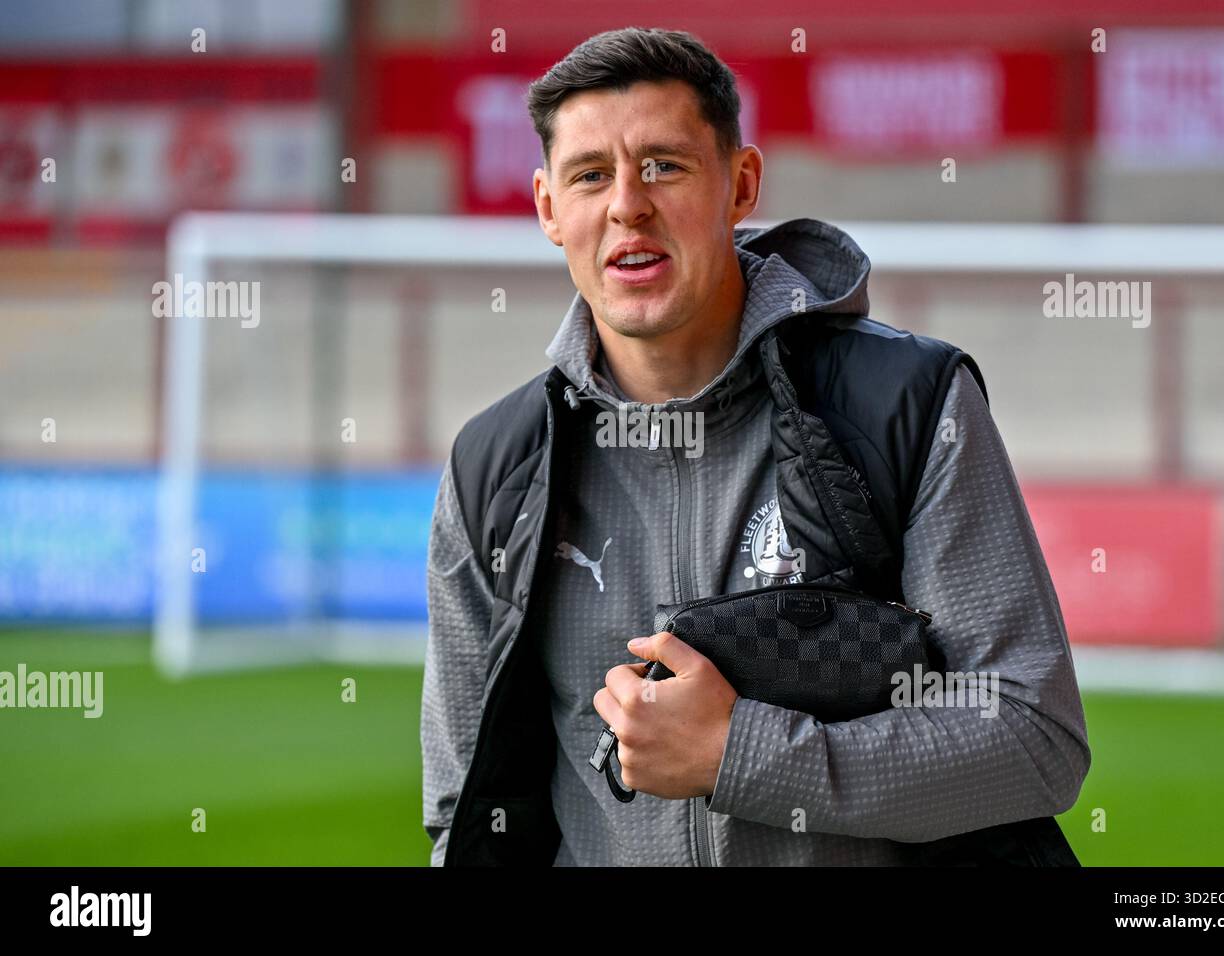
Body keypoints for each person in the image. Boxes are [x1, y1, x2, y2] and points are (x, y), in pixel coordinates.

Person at [421, 26, 1091, 866]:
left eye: (664, 164)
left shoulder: (907, 405)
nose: (628, 203)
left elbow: (1035, 738)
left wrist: (742, 754)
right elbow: (463, 811)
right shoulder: (494, 467)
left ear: (741, 184)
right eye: (591, 175)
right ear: (550, 209)